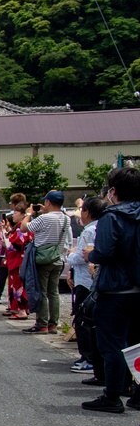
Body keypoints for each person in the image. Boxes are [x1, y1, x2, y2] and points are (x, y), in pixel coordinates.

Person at [83, 167, 140, 413]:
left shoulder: (111, 216)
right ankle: (137, 394)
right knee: (137, 343)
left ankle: (113, 393)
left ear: (113, 191)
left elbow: (104, 251)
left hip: (116, 289)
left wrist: (90, 254)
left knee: (112, 344)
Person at [20, 190, 73, 334]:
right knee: (54, 292)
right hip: (58, 259)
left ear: (48, 202)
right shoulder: (66, 219)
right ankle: (53, 324)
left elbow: (24, 227)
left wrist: (29, 214)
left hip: (43, 259)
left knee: (42, 292)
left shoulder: (45, 218)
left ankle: (42, 323)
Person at [67, 197, 103, 375]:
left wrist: (70, 255)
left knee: (83, 320)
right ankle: (88, 358)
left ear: (87, 212)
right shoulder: (100, 227)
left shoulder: (89, 231)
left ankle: (88, 358)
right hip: (89, 279)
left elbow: (83, 256)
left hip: (85, 280)